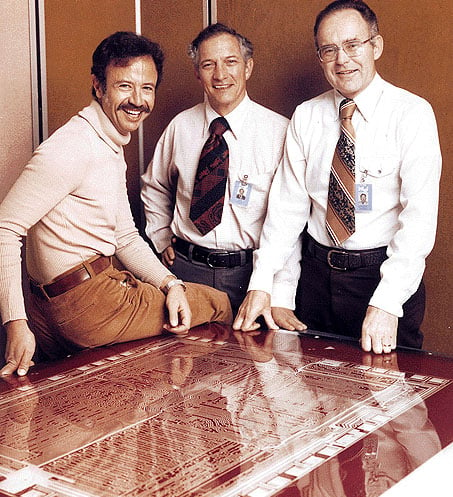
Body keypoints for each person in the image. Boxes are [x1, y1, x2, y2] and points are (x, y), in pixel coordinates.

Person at [0, 31, 232, 377]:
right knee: (220, 303)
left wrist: (170, 284)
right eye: (125, 86)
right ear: (98, 86)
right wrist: (16, 323)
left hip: (57, 304)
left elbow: (124, 235)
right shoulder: (73, 146)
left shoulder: (105, 142)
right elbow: (5, 227)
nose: (137, 100)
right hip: (88, 303)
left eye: (147, 88)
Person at [233, 0, 442, 354]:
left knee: (389, 401)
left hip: (379, 279)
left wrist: (388, 302)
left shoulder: (412, 114)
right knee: (311, 397)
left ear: (375, 45)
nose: (341, 59)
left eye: (352, 45)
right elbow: (286, 212)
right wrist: (269, 287)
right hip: (315, 281)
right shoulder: (306, 116)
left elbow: (418, 222)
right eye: (329, 50)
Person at [141, 23, 303, 327]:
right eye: (208, 64)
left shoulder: (281, 133)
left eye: (230, 62)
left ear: (248, 67)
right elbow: (154, 185)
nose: (220, 74)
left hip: (250, 276)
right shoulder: (181, 127)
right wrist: (161, 236)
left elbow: (289, 222)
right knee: (184, 367)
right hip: (187, 272)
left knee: (250, 369)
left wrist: (280, 294)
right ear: (197, 73)